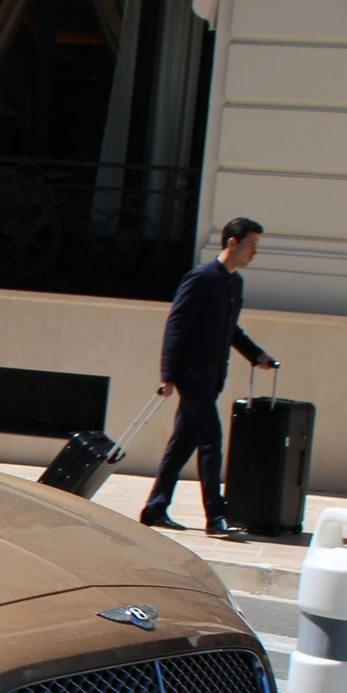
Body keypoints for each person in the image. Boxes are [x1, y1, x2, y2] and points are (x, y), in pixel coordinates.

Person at [142, 217, 277, 537]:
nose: (254, 253)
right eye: (250, 246)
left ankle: (154, 508)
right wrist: (168, 375)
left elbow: (231, 331)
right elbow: (176, 325)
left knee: (181, 445)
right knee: (211, 439)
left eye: (257, 247)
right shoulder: (201, 278)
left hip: (212, 378)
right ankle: (216, 516)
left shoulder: (234, 283)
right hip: (192, 376)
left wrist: (257, 355)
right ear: (231, 242)